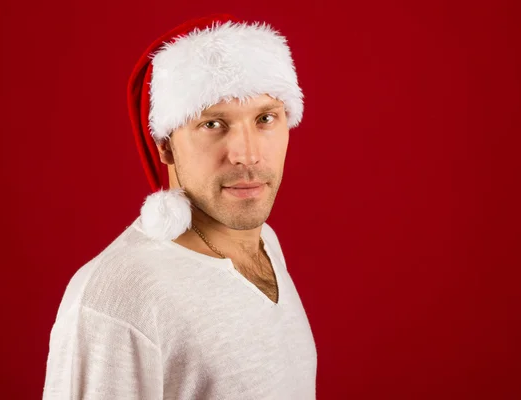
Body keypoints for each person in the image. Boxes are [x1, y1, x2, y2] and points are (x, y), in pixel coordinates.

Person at [42, 13, 317, 400]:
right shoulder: (115, 298)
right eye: (213, 124)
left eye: (265, 119)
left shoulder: (265, 244)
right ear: (165, 144)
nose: (248, 155)